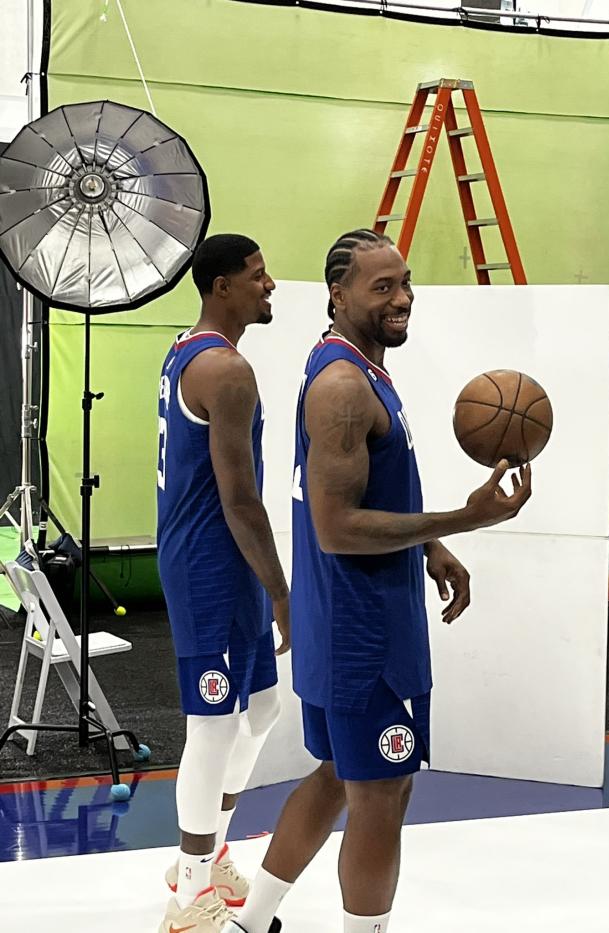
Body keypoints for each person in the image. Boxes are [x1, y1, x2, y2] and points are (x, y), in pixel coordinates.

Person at [231, 229, 532, 933]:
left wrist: (430, 546)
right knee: (382, 794)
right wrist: (465, 517)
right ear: (338, 295)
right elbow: (337, 526)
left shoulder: (354, 363)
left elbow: (369, 492)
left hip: (343, 618)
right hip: (363, 631)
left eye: (405, 282)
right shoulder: (343, 386)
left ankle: (248, 922)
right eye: (383, 287)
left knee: (340, 774)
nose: (403, 298)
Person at [156, 234, 289, 933]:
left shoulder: (188, 348)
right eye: (257, 275)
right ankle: (188, 895)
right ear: (221, 287)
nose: (270, 285)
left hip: (228, 558)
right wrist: (283, 592)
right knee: (212, 725)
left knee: (262, 707)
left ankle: (207, 855)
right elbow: (239, 499)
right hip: (208, 561)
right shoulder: (225, 370)